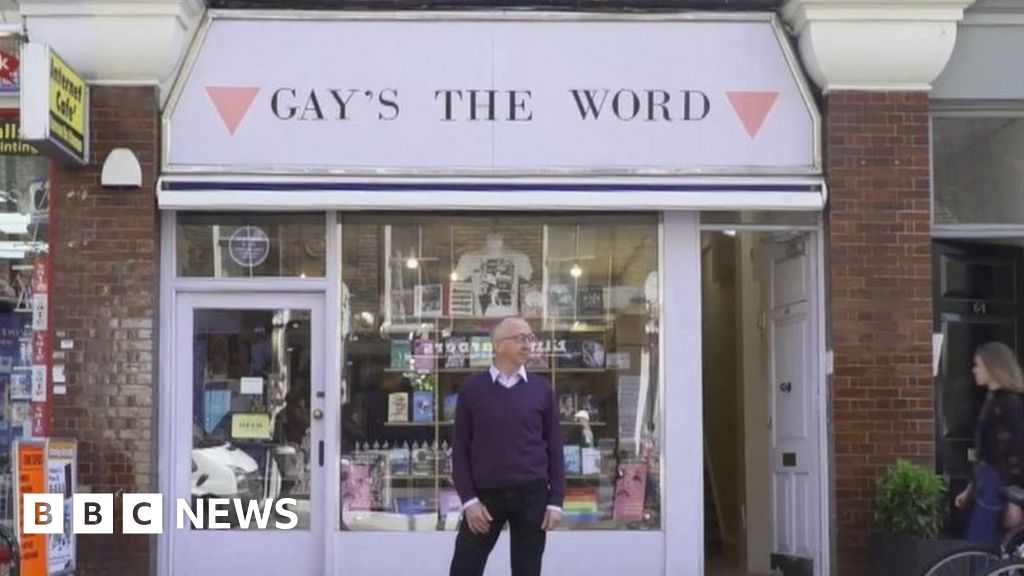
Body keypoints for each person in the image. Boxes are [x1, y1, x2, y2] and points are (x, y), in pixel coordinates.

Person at [449, 316, 565, 576]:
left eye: (530, 338)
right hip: (485, 497)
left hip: (531, 496)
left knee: (527, 571)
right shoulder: (472, 390)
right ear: (498, 345)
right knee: (464, 568)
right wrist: (469, 501)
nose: (528, 344)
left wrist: (555, 500)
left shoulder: (541, 389)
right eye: (520, 338)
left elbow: (554, 447)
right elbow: (460, 450)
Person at [955, 342, 1024, 546]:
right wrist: (970, 488)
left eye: (978, 365)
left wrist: (1014, 499)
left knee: (983, 545)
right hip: (988, 482)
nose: (974, 370)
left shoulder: (1007, 404)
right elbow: (988, 453)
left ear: (992, 367)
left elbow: (1015, 452)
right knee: (982, 544)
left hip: (998, 483)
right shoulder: (993, 400)